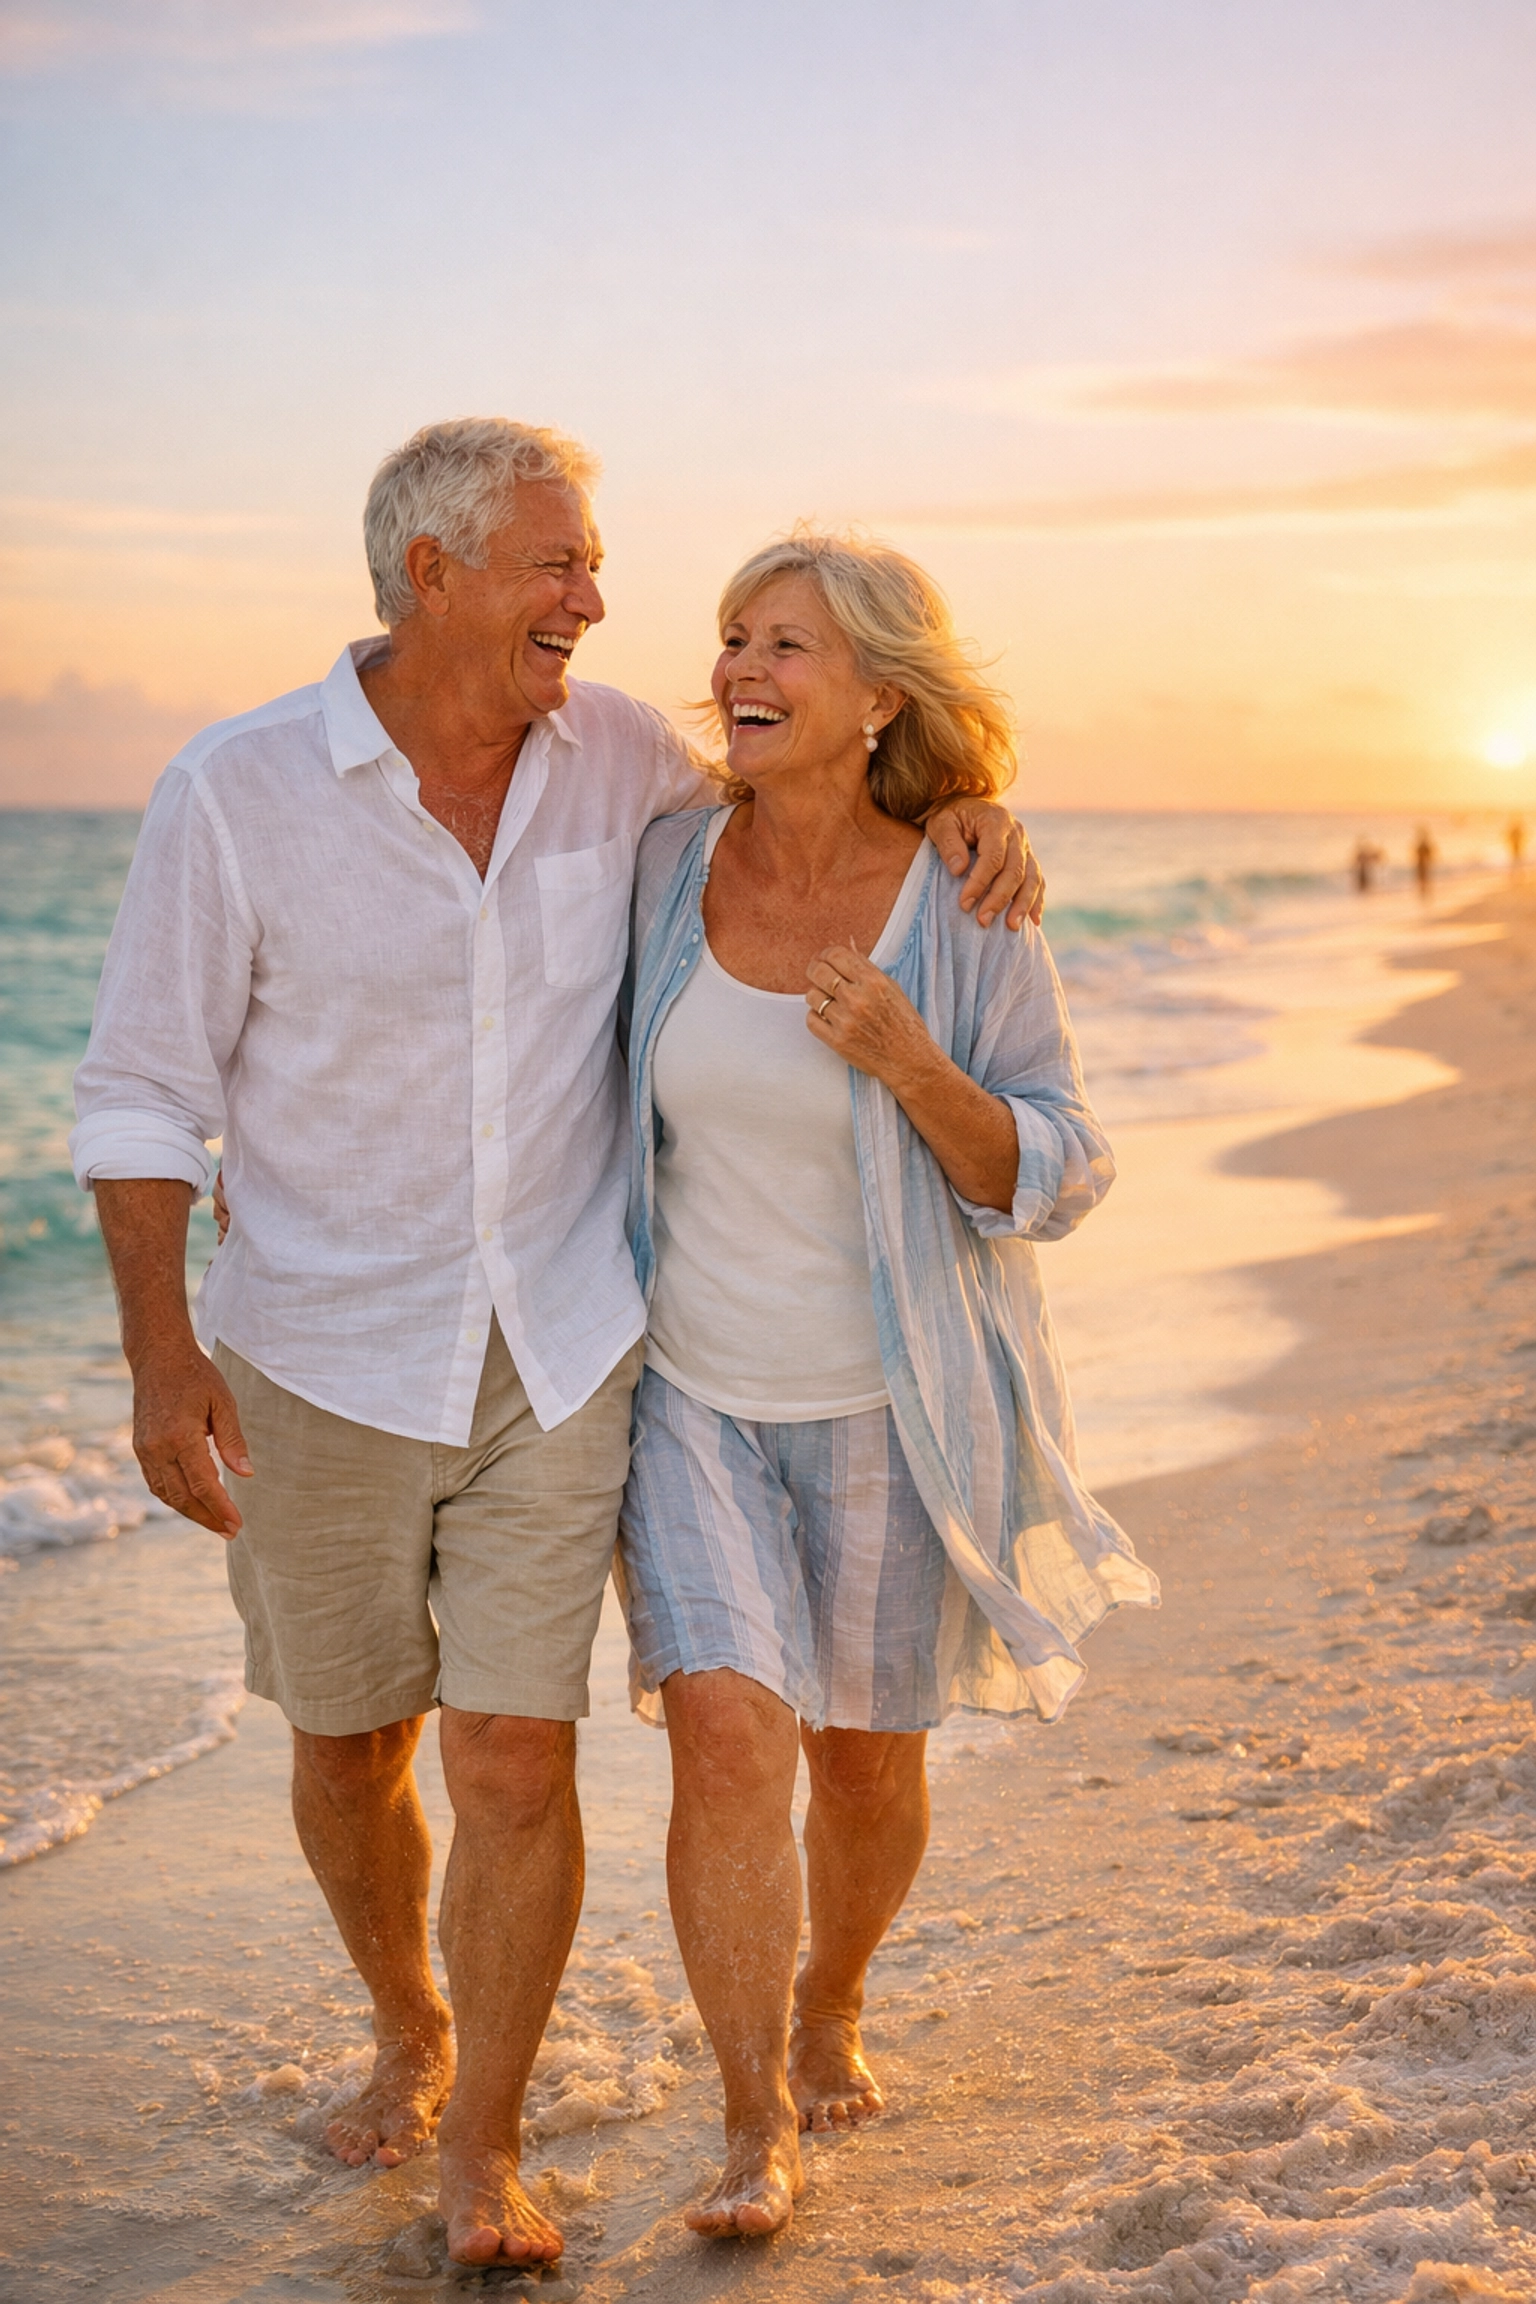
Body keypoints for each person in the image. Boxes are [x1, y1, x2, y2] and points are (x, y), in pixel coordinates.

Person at [68, 419, 1036, 2271]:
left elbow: (826, 807)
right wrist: (159, 1354)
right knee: (351, 1742)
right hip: (316, 1348)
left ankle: (484, 2142)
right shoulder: (237, 789)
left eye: (591, 566)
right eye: (556, 565)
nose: (599, 601)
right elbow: (137, 1093)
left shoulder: (624, 767)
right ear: (430, 574)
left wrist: (981, 816)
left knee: (516, 1753)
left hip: (569, 1340)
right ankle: (409, 2021)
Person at [616, 529, 1158, 2239]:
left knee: (860, 1761)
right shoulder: (660, 862)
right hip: (685, 1384)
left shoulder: (965, 897)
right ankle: (749, 2115)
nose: (742, 667)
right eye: (731, 635)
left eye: (789, 643)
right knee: (724, 1729)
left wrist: (915, 1061)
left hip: (891, 1399)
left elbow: (1061, 1169)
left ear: (875, 701)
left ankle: (831, 1988)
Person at [1414, 824, 1437, 897]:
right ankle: (1424, 892)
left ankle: (1425, 892)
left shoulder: (1423, 845)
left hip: (1423, 864)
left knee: (1424, 878)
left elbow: (1429, 854)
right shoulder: (1422, 845)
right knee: (1423, 878)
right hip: (1421, 864)